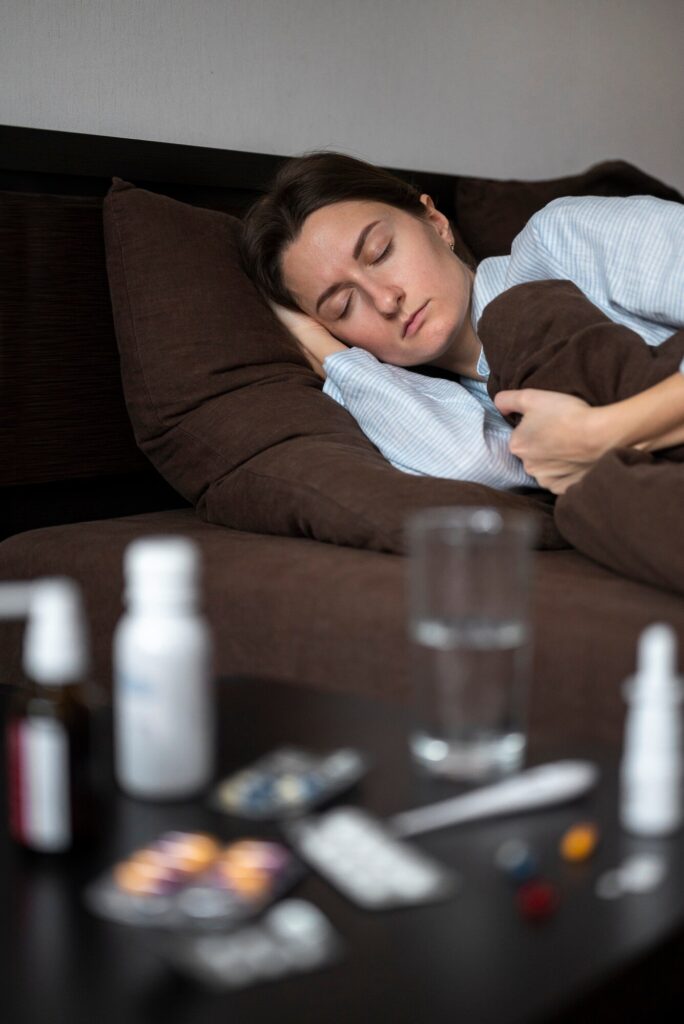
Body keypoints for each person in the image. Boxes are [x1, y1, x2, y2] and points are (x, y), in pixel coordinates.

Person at [241, 152, 684, 494]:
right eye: (342, 307)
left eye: (380, 253)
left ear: (435, 222)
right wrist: (329, 354)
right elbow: (468, 464)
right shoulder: (460, 409)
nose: (385, 299)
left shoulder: (559, 240)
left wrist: (606, 434)